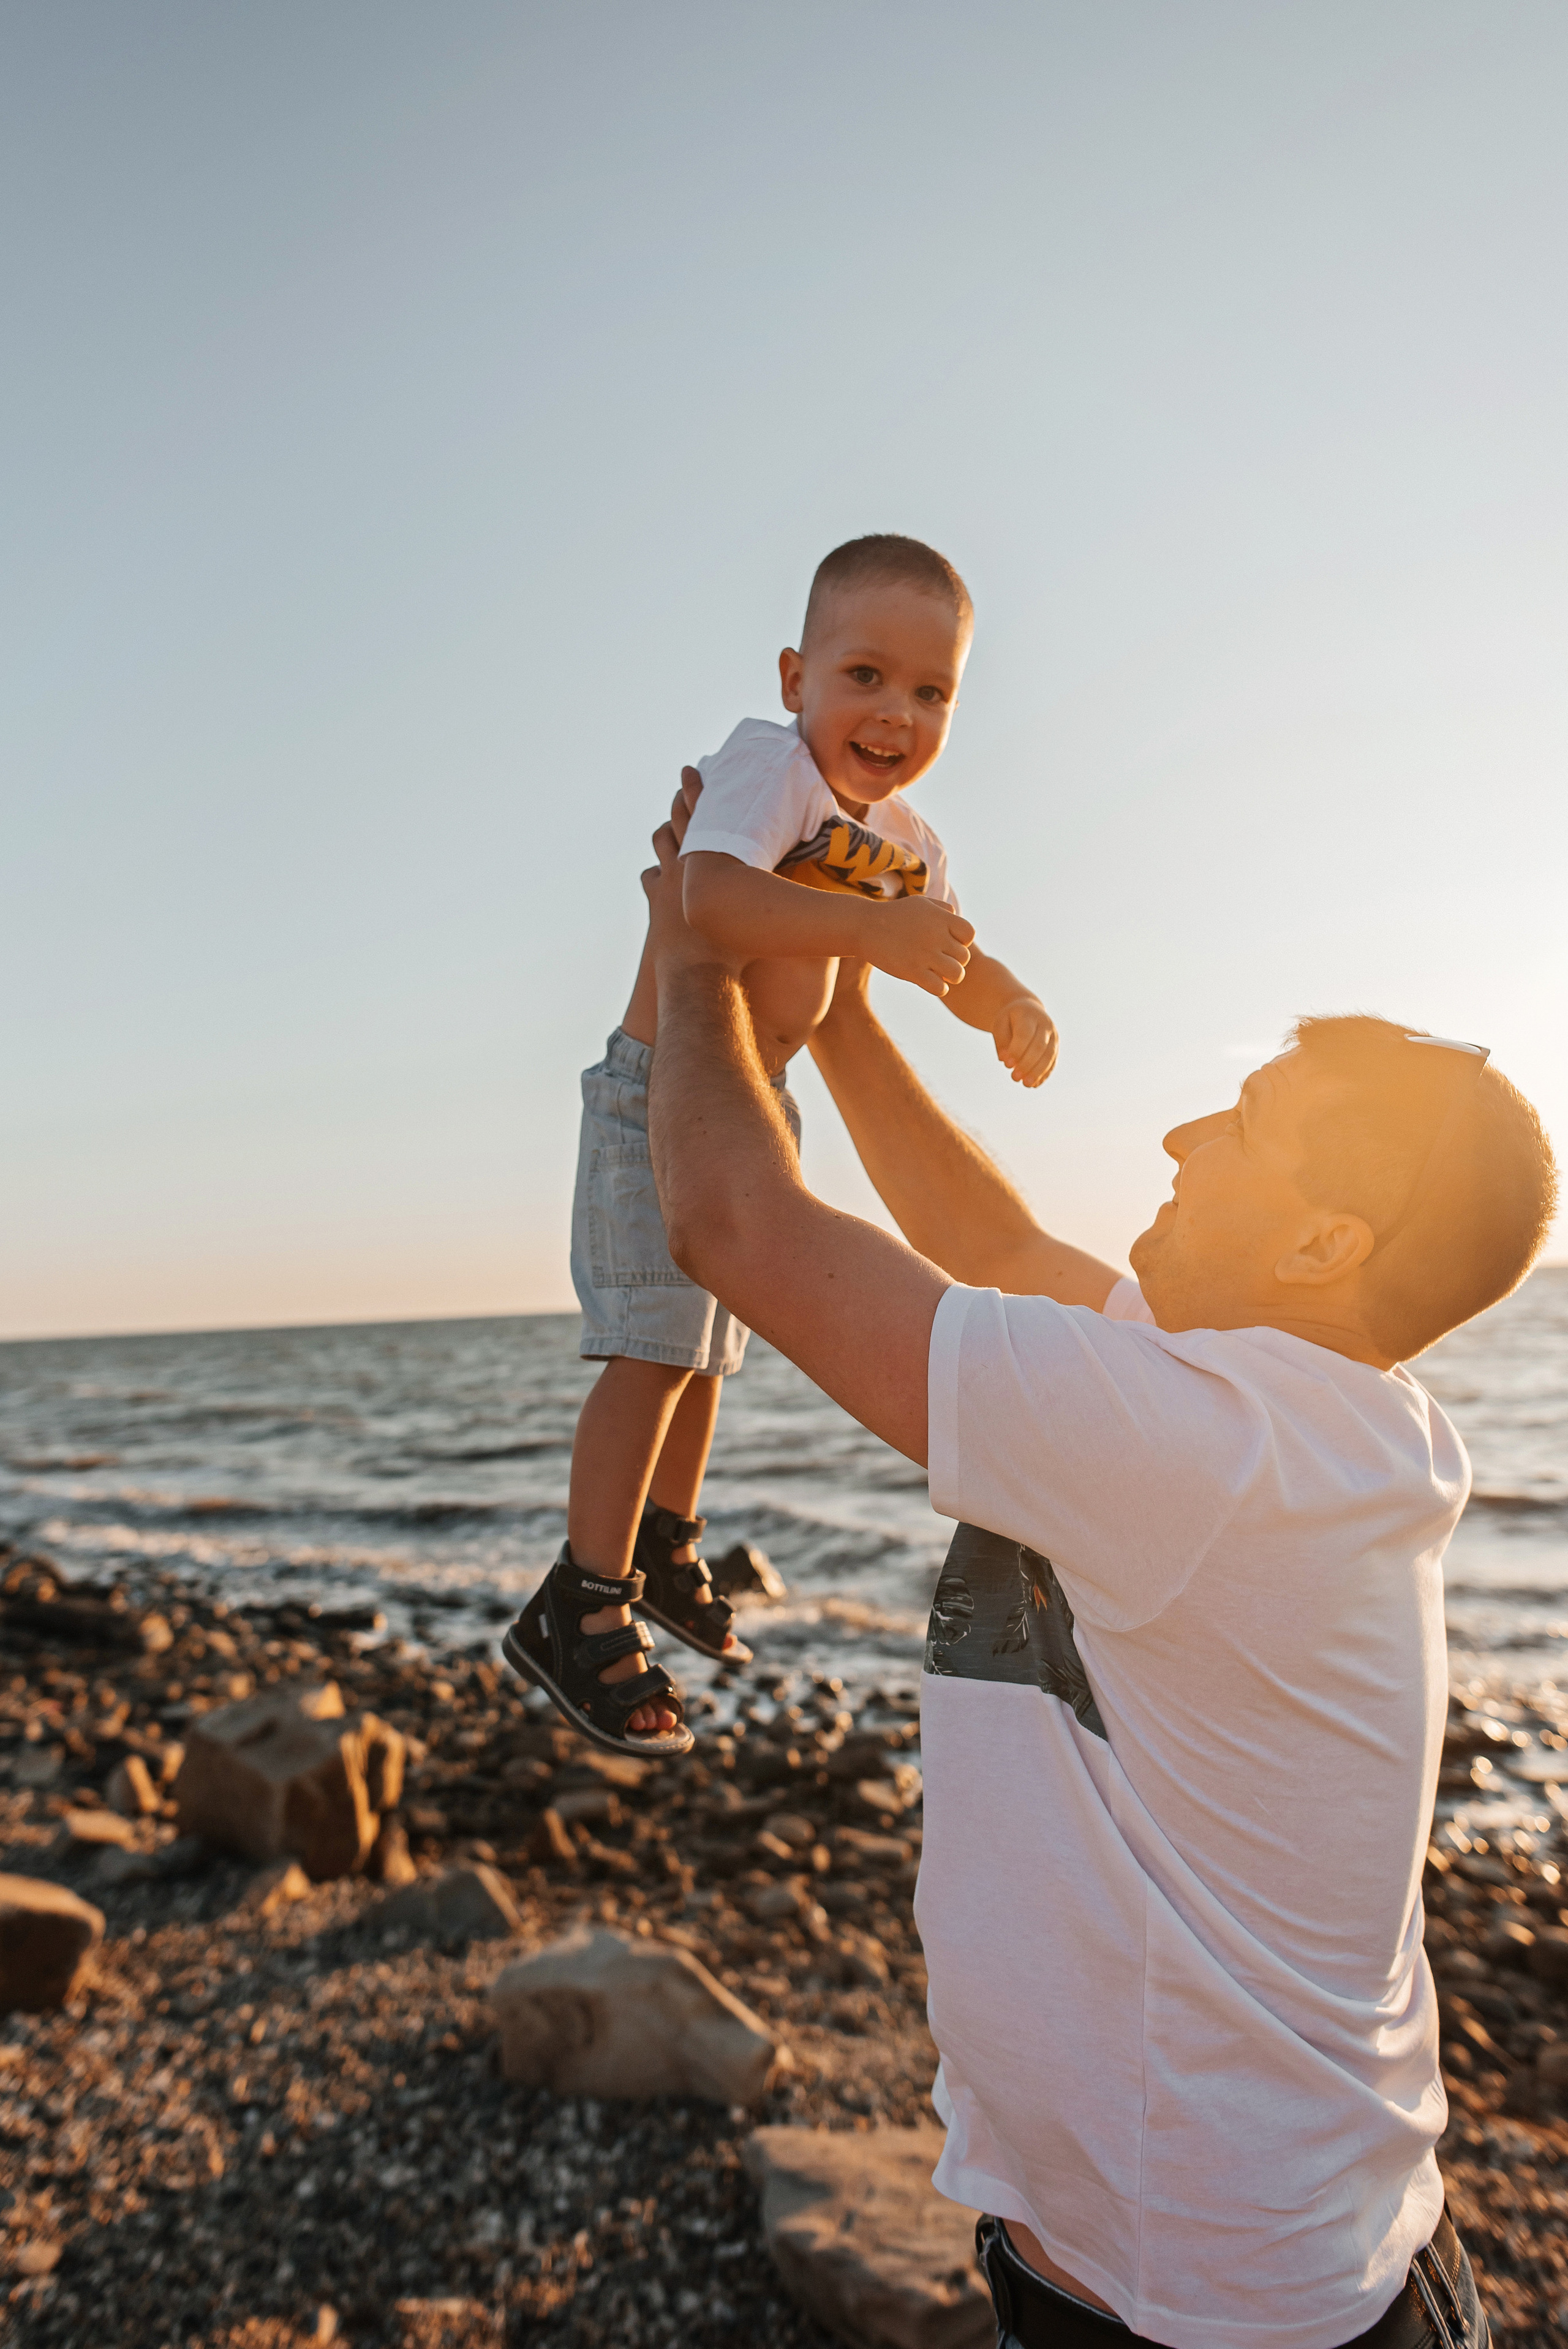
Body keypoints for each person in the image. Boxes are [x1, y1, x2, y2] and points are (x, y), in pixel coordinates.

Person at [638, 783, 1558, 2349]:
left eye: (1242, 1128)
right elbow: (983, 1242)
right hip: (1224, 2258)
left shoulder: (1214, 1446)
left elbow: (730, 1221)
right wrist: (847, 988)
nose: (1179, 1132)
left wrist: (696, 940)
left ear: (1327, 1247)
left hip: (1211, 2309)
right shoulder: (1288, 1407)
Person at [503, 534, 1057, 1756]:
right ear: (794, 675)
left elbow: (940, 943)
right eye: (862, 675)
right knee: (650, 1347)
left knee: (706, 1352)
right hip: (662, 1094)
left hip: (755, 1098)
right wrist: (865, 937)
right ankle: (577, 1598)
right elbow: (707, 902)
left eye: (929, 691)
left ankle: (661, 1539)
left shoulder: (903, 836)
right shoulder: (766, 770)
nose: (891, 712)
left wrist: (1001, 998)